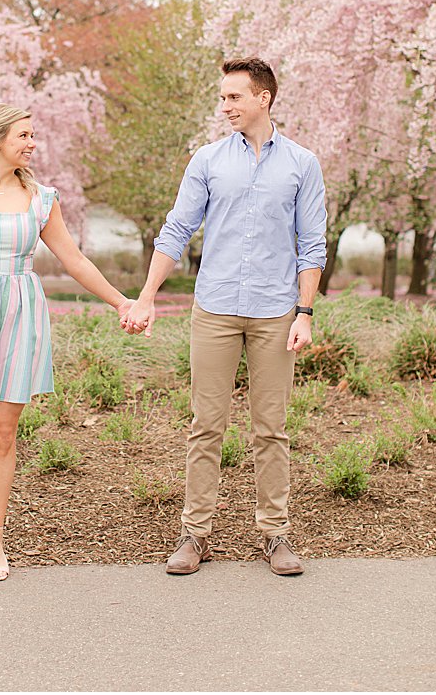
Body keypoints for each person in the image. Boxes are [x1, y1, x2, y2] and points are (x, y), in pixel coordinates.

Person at [122, 57, 327, 577]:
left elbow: (313, 246)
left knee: (271, 429)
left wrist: (304, 313)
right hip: (214, 309)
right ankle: (195, 535)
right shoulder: (208, 161)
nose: (226, 106)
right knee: (205, 425)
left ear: (264, 98)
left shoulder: (303, 164)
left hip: (275, 312)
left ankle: (274, 534)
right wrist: (146, 295)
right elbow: (176, 230)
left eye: (234, 96)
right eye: (223, 97)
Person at [0, 103, 132, 581]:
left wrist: (121, 302)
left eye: (33, 135)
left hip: (18, 316)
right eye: (24, 135)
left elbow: (74, 261)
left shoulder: (40, 198)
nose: (32, 143)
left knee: (3, 432)